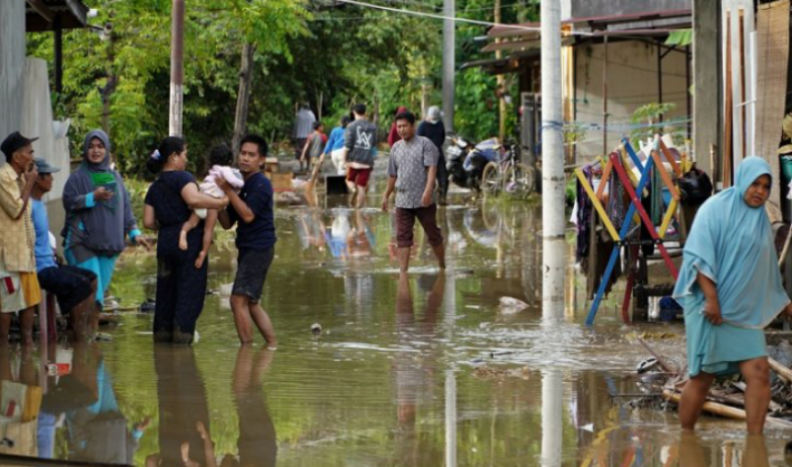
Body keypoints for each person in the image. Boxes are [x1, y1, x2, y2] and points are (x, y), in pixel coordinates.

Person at [673, 156, 792, 435]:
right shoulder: (715, 209)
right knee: (702, 378)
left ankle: (755, 442)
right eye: (755, 184)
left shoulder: (760, 218)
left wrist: (784, 303)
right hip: (709, 308)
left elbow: (764, 268)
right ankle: (685, 438)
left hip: (741, 315)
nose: (759, 191)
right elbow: (698, 255)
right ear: (742, 182)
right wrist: (712, 298)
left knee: (759, 373)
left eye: (765, 186)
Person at [144, 136, 228, 344]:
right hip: (188, 243)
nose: (186, 160)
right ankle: (182, 344)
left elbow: (148, 221)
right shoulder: (183, 178)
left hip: (165, 242)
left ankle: (162, 342)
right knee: (188, 294)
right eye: (185, 155)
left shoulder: (155, 187)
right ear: (174, 157)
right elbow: (193, 199)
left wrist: (167, 226)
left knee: (165, 294)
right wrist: (221, 201)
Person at [62, 130, 146, 313]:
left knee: (97, 302)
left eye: (100, 146)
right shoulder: (77, 178)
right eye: (91, 147)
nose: (96, 151)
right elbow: (69, 202)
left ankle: (88, 338)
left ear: (107, 150)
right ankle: (82, 338)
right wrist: (93, 196)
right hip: (81, 242)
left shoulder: (115, 177)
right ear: (85, 150)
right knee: (91, 296)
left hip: (108, 246)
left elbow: (125, 208)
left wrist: (134, 234)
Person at [217, 134, 278, 346]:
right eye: (243, 154)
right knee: (251, 302)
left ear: (261, 160)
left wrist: (227, 190)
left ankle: (246, 350)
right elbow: (227, 223)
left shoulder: (260, 184)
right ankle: (271, 345)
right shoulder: (240, 185)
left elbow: (248, 215)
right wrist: (214, 200)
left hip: (259, 247)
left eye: (251, 155)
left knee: (237, 300)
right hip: (248, 247)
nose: (245, 158)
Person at [31, 157, 98, 342]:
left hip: (50, 263)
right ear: (38, 178)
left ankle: (83, 328)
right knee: (80, 286)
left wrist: (54, 254)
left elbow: (43, 239)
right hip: (40, 268)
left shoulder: (40, 204)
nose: (52, 180)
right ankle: (78, 337)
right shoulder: (28, 206)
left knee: (91, 278)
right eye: (49, 176)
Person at [381, 111, 446, 274]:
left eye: (404, 126)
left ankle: (442, 265)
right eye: (399, 127)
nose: (401, 130)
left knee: (432, 234)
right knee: (402, 237)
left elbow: (432, 169)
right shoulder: (395, 148)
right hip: (402, 199)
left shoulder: (425, 144)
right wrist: (386, 195)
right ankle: (403, 272)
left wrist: (428, 191)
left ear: (413, 126)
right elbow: (392, 175)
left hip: (424, 200)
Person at [0, 132, 43, 344]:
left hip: (25, 253)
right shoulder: (3, 178)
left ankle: (27, 353)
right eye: (29, 152)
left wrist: (27, 182)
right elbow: (16, 210)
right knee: (7, 305)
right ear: (17, 157)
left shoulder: (21, 178)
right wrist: (30, 183)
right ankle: (3, 352)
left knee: (30, 301)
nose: (32, 157)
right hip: (8, 255)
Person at [179, 144, 243, 269]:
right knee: (208, 231)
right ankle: (203, 253)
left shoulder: (212, 170)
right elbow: (234, 182)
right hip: (213, 204)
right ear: (229, 161)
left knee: (191, 223)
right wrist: (242, 184)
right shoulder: (226, 170)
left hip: (202, 200)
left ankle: (183, 234)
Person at [342, 104, 378, 209]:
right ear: (365, 112)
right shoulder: (373, 127)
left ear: (354, 112)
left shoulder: (351, 126)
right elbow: (373, 144)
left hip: (354, 161)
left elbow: (347, 146)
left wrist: (344, 160)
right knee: (362, 186)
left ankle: (353, 190)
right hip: (367, 161)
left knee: (348, 180)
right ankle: (358, 209)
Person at [417, 106, 448, 205]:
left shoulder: (440, 124)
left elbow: (443, 137)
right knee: (428, 179)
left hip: (438, 153)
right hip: (426, 155)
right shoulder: (422, 126)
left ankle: (442, 198)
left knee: (444, 177)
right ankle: (428, 199)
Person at [293, 103, 316, 172]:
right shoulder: (312, 115)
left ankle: (301, 167)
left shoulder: (299, 115)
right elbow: (314, 125)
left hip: (300, 136)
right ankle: (308, 166)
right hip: (309, 136)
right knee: (308, 152)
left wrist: (294, 135)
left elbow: (295, 126)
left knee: (300, 151)